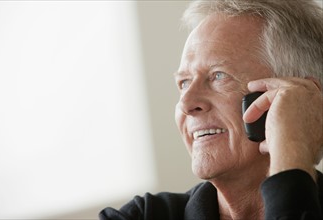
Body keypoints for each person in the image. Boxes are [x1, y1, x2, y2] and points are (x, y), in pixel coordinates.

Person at [100, 0, 323, 219]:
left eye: (218, 76)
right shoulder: (143, 215)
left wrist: (292, 149)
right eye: (184, 82)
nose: (186, 104)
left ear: (303, 99)